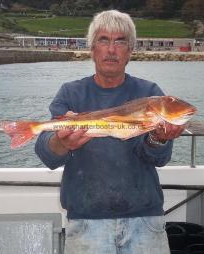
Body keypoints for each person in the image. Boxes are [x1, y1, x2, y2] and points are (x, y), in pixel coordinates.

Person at [35, 10, 185, 254]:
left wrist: (158, 138)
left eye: (120, 41)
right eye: (103, 40)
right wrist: (63, 143)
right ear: (92, 49)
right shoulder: (71, 93)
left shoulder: (150, 95)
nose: (111, 49)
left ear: (130, 51)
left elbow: (158, 158)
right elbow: (47, 155)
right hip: (85, 221)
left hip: (145, 221)